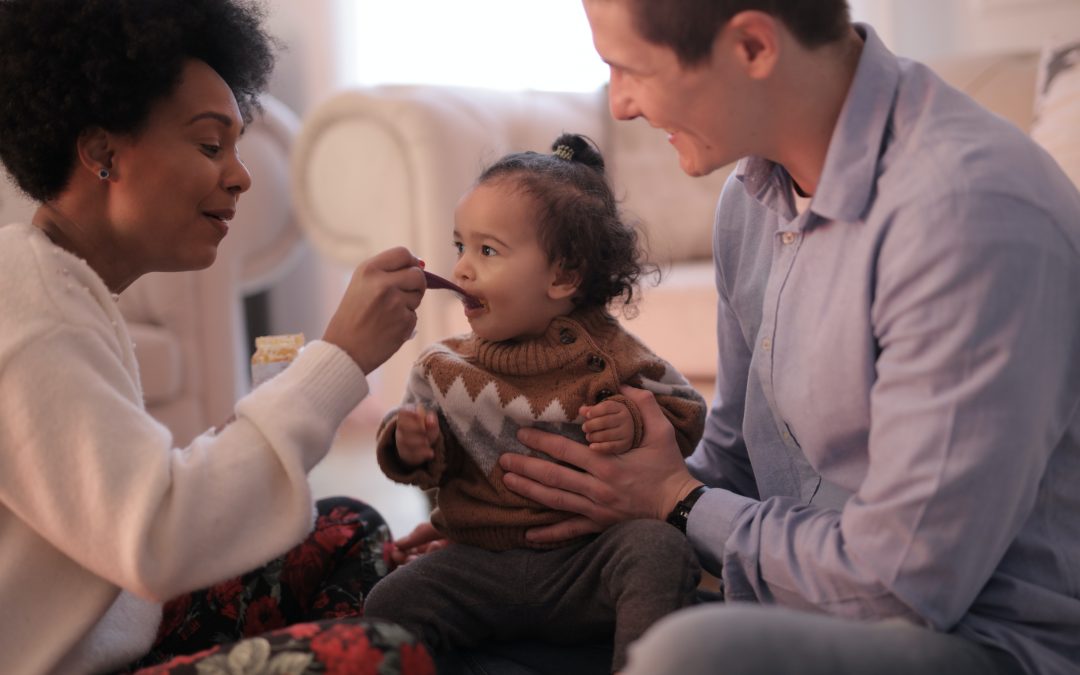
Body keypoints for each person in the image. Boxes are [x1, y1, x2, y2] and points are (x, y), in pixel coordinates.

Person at [494, 2, 1080, 675]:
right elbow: (737, 460)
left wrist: (675, 500)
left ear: (751, 46)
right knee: (485, 622)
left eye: (630, 69)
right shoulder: (751, 201)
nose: (620, 106)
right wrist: (545, 522)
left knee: (688, 657)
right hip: (796, 606)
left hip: (983, 639)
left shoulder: (967, 214)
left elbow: (900, 589)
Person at [0, 1, 435, 673]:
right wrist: (339, 359)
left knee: (349, 529)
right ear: (101, 152)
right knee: (383, 654)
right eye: (210, 145)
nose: (241, 174)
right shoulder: (27, 299)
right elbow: (159, 535)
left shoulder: (64, 285)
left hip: (129, 625)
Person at [363, 133, 708, 673]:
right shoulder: (442, 367)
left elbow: (686, 412)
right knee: (391, 601)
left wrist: (634, 426)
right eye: (460, 247)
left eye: (488, 251)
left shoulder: (613, 355)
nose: (462, 270)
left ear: (563, 275)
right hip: (479, 566)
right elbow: (419, 467)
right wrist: (408, 444)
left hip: (587, 565)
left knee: (657, 552)